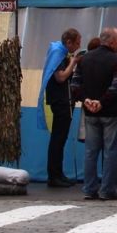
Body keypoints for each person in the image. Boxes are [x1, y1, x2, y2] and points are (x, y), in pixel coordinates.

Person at [76, 27, 117, 200]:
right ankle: (108, 189)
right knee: (112, 151)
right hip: (111, 112)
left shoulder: (84, 59)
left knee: (91, 151)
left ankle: (89, 188)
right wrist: (102, 101)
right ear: (112, 42)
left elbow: (75, 85)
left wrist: (86, 100)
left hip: (90, 112)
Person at [41, 28, 81, 187]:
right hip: (60, 101)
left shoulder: (60, 52)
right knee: (57, 139)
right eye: (77, 43)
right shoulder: (59, 53)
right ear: (69, 42)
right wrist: (73, 62)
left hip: (63, 100)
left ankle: (59, 173)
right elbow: (61, 77)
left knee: (61, 139)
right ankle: (54, 175)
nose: (78, 46)